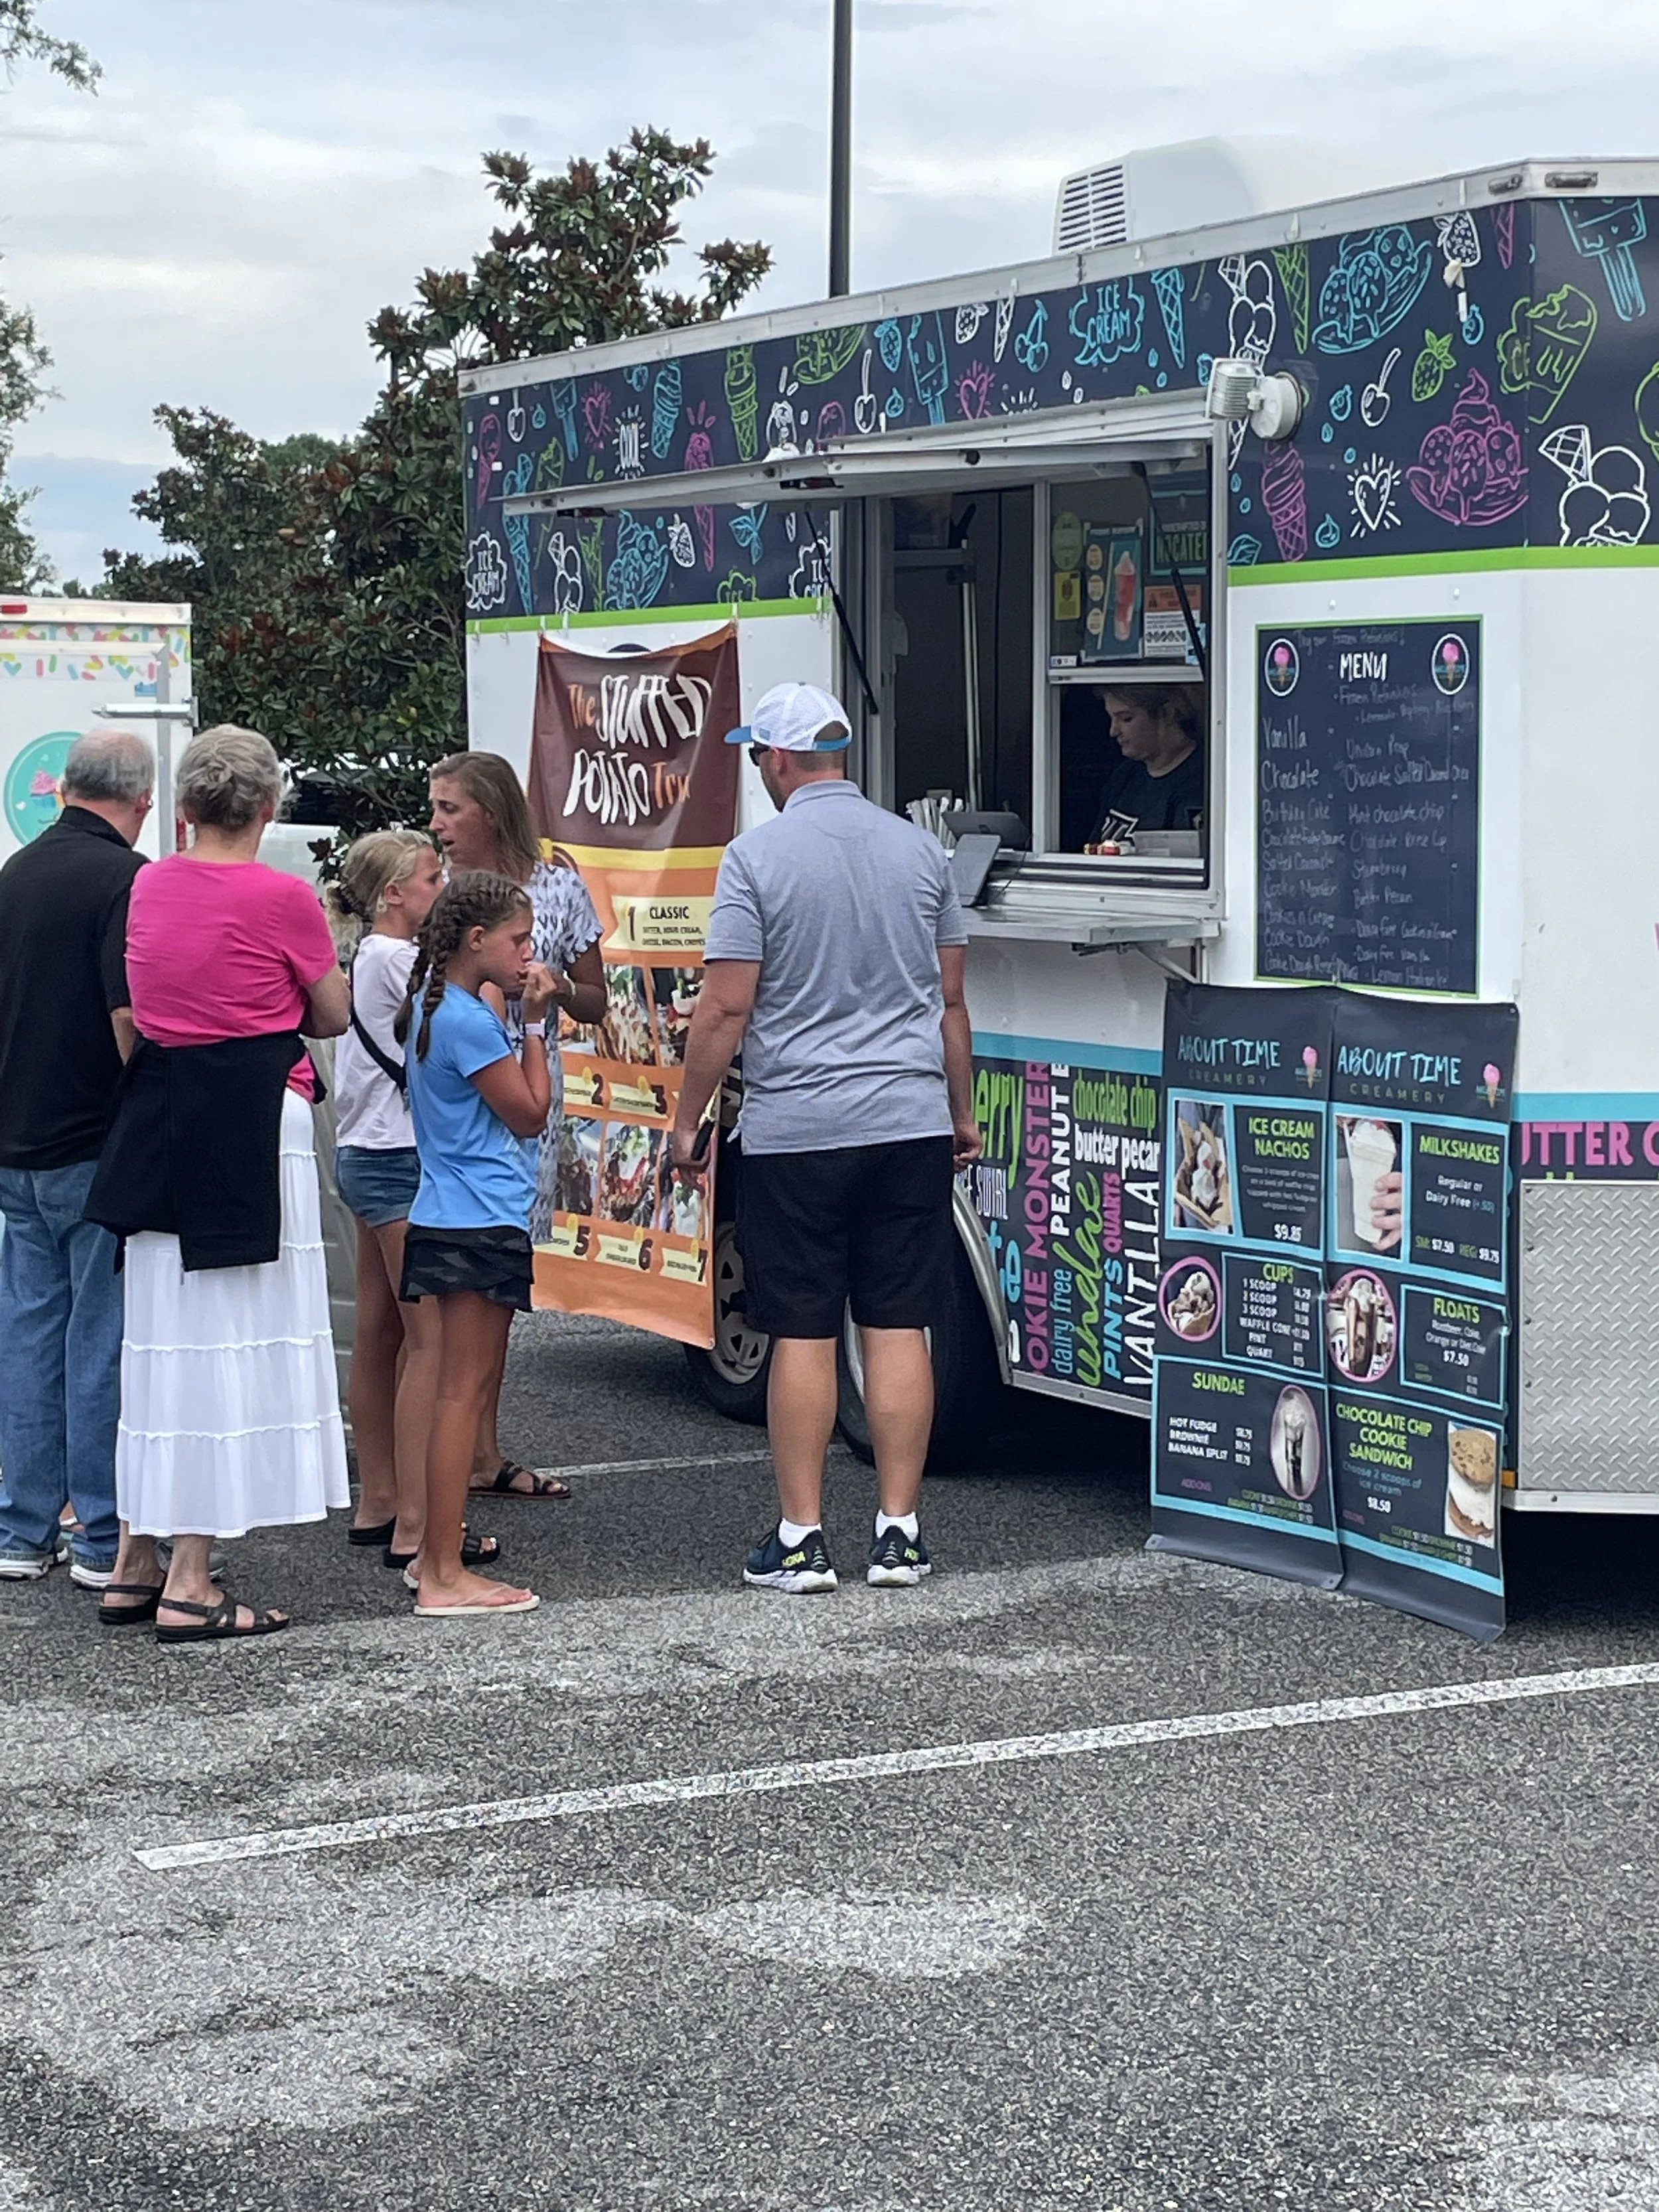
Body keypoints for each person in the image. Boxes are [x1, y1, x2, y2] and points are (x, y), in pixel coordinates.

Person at [668, 682, 981, 1597]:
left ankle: (802, 1539)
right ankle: (898, 1532)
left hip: (798, 1127)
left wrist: (687, 1122)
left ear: (774, 758)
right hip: (909, 1121)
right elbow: (951, 1002)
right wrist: (960, 1113)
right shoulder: (924, 855)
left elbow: (727, 1004)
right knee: (896, 1318)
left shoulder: (754, 860)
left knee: (801, 1325)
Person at [86, 725, 352, 1641]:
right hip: (248, 1111)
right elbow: (332, 1011)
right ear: (268, 807)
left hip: (158, 1104)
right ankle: (192, 1579)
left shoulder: (149, 881)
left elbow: (135, 1000)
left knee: (159, 1339)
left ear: (189, 809)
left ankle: (136, 1554)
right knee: (226, 1342)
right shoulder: (281, 898)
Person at [427, 751, 606, 1501]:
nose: (436, 825)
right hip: (453, 1103)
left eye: (450, 809)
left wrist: (559, 986)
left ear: (491, 814)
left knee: (501, 1275)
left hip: (530, 1090)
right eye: (434, 810)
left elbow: (598, 999)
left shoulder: (558, 885)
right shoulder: (437, 891)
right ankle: (440, 1466)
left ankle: (483, 1451)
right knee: (454, 1290)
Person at [326, 830, 504, 1582]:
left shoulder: (365, 958)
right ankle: (418, 1524)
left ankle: (380, 1499)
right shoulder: (404, 963)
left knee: (380, 1331)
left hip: (362, 1149)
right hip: (403, 1158)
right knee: (430, 1343)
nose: (443, 885)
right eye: (431, 878)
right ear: (393, 894)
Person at [0, 729, 153, 1585]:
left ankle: (22, 1529)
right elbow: (126, 1017)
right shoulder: (124, 881)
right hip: (92, 1140)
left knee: (27, 1331)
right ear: (137, 803)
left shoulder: (16, 873)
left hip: (16, 1138)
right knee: (99, 1338)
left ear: (64, 792)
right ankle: (101, 1535)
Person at [395, 870, 556, 1617]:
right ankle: (440, 1570)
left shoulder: (440, 1007)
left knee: (462, 1391)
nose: (528, 953)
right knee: (462, 1394)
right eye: (519, 940)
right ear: (476, 940)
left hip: (452, 1211)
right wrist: (531, 1022)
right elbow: (528, 1114)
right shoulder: (465, 1018)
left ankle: (434, 1556)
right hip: (477, 1217)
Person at [1091, 682, 1205, 845]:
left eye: (1126, 719)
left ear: (1167, 714)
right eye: (1112, 719)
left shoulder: (1199, 784)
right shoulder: (1126, 774)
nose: (1114, 731)